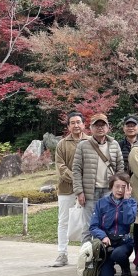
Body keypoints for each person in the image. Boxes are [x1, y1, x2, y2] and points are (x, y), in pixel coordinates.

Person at [72, 113, 124, 242]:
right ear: (91, 127)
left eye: (103, 125)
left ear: (108, 127)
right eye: (97, 125)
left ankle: (104, 258)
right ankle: (87, 258)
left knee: (108, 225)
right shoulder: (83, 145)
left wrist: (118, 190)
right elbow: (76, 170)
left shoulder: (114, 144)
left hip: (109, 191)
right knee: (88, 226)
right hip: (90, 192)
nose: (100, 128)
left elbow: (120, 169)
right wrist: (79, 191)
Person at [87, 173, 137, 276]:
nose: (119, 190)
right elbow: (93, 226)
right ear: (111, 187)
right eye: (117, 186)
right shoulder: (101, 203)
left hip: (124, 243)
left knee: (118, 254)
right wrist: (103, 236)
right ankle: (109, 267)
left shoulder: (131, 202)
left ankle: (125, 268)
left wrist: (126, 201)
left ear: (128, 188)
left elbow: (129, 220)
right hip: (107, 243)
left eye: (123, 187)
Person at [52, 111, 87, 267]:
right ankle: (62, 254)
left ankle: (85, 253)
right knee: (63, 221)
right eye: (72, 122)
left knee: (87, 220)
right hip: (66, 188)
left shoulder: (91, 141)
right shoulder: (62, 144)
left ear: (84, 124)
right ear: (68, 126)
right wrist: (77, 180)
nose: (76, 125)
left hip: (88, 188)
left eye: (78, 122)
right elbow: (61, 167)